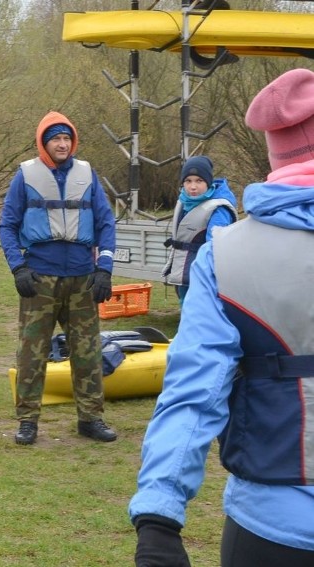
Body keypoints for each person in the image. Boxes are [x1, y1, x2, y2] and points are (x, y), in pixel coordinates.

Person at [129, 68, 314, 566]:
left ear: (275, 154)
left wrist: (159, 517)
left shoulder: (226, 256)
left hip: (272, 529)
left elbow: (193, 392)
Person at [0, 111, 117, 446]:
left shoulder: (87, 174)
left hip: (82, 278)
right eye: (55, 139)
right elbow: (6, 225)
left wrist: (104, 268)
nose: (62, 144)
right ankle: (28, 421)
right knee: (31, 353)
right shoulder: (25, 176)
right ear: (44, 143)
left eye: (67, 138)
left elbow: (106, 223)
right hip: (40, 278)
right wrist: (17, 267)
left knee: (88, 352)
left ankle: (91, 418)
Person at [163, 155, 237, 304]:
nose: (193, 187)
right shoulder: (185, 201)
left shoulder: (219, 210)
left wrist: (206, 279)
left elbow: (216, 249)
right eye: (188, 181)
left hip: (204, 278)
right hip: (186, 274)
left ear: (208, 183)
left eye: (199, 181)